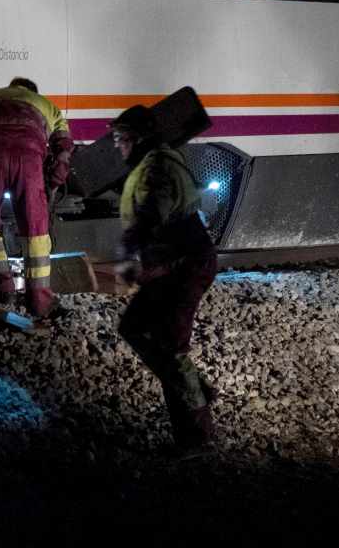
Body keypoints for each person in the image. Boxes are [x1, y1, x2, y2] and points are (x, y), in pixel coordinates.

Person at [110, 104, 220, 451]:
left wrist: (129, 255)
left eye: (121, 138)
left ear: (137, 138)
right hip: (172, 265)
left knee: (171, 348)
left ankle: (197, 438)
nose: (117, 145)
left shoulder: (156, 167)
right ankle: (194, 387)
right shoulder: (154, 162)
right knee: (136, 328)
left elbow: (149, 217)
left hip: (185, 265)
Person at [0, 77, 73, 318]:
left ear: (11, 87)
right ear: (32, 91)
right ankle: (40, 302)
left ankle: (3, 290)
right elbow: (64, 148)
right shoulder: (46, 104)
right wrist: (54, 181)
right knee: (35, 231)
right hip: (28, 159)